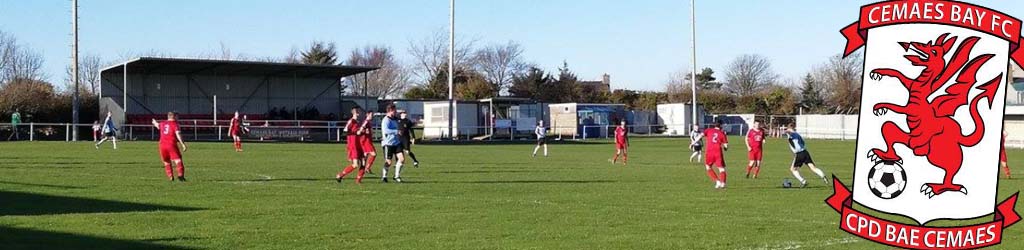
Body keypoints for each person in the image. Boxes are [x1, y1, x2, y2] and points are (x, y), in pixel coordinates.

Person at [784, 123, 828, 187]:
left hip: (799, 154)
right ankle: (823, 176)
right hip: (805, 152)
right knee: (813, 167)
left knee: (793, 169)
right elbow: (803, 143)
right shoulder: (798, 134)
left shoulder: (792, 134)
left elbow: (788, 131)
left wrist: (787, 131)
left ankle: (803, 181)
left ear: (790, 128)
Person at [151, 112, 189, 182]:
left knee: (166, 161)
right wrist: (183, 144)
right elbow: (178, 134)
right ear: (174, 117)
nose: (178, 118)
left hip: (162, 145)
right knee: (178, 160)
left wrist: (154, 122)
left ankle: (170, 177)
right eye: (177, 117)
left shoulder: (162, 123)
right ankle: (180, 175)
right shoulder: (175, 124)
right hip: (171, 144)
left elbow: (157, 125)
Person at [694, 121, 728, 189]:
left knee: (708, 167)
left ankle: (717, 181)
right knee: (721, 169)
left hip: (709, 152)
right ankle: (723, 183)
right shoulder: (722, 133)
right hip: (718, 152)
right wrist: (725, 148)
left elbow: (700, 136)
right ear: (721, 126)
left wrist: (693, 142)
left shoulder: (709, 130)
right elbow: (726, 146)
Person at [336, 107, 367, 184]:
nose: (359, 113)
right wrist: (356, 133)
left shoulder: (358, 122)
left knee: (363, 162)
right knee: (355, 165)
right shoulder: (351, 121)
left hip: (359, 145)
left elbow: (358, 132)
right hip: (353, 145)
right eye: (358, 112)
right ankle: (340, 175)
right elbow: (344, 133)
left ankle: (358, 180)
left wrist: (363, 132)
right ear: (354, 113)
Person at [379, 104, 405, 183]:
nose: (396, 112)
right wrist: (396, 131)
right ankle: (384, 176)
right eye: (395, 110)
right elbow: (386, 130)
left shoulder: (395, 119)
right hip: (388, 143)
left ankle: (396, 176)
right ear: (390, 111)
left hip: (396, 143)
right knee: (389, 162)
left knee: (402, 159)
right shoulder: (386, 120)